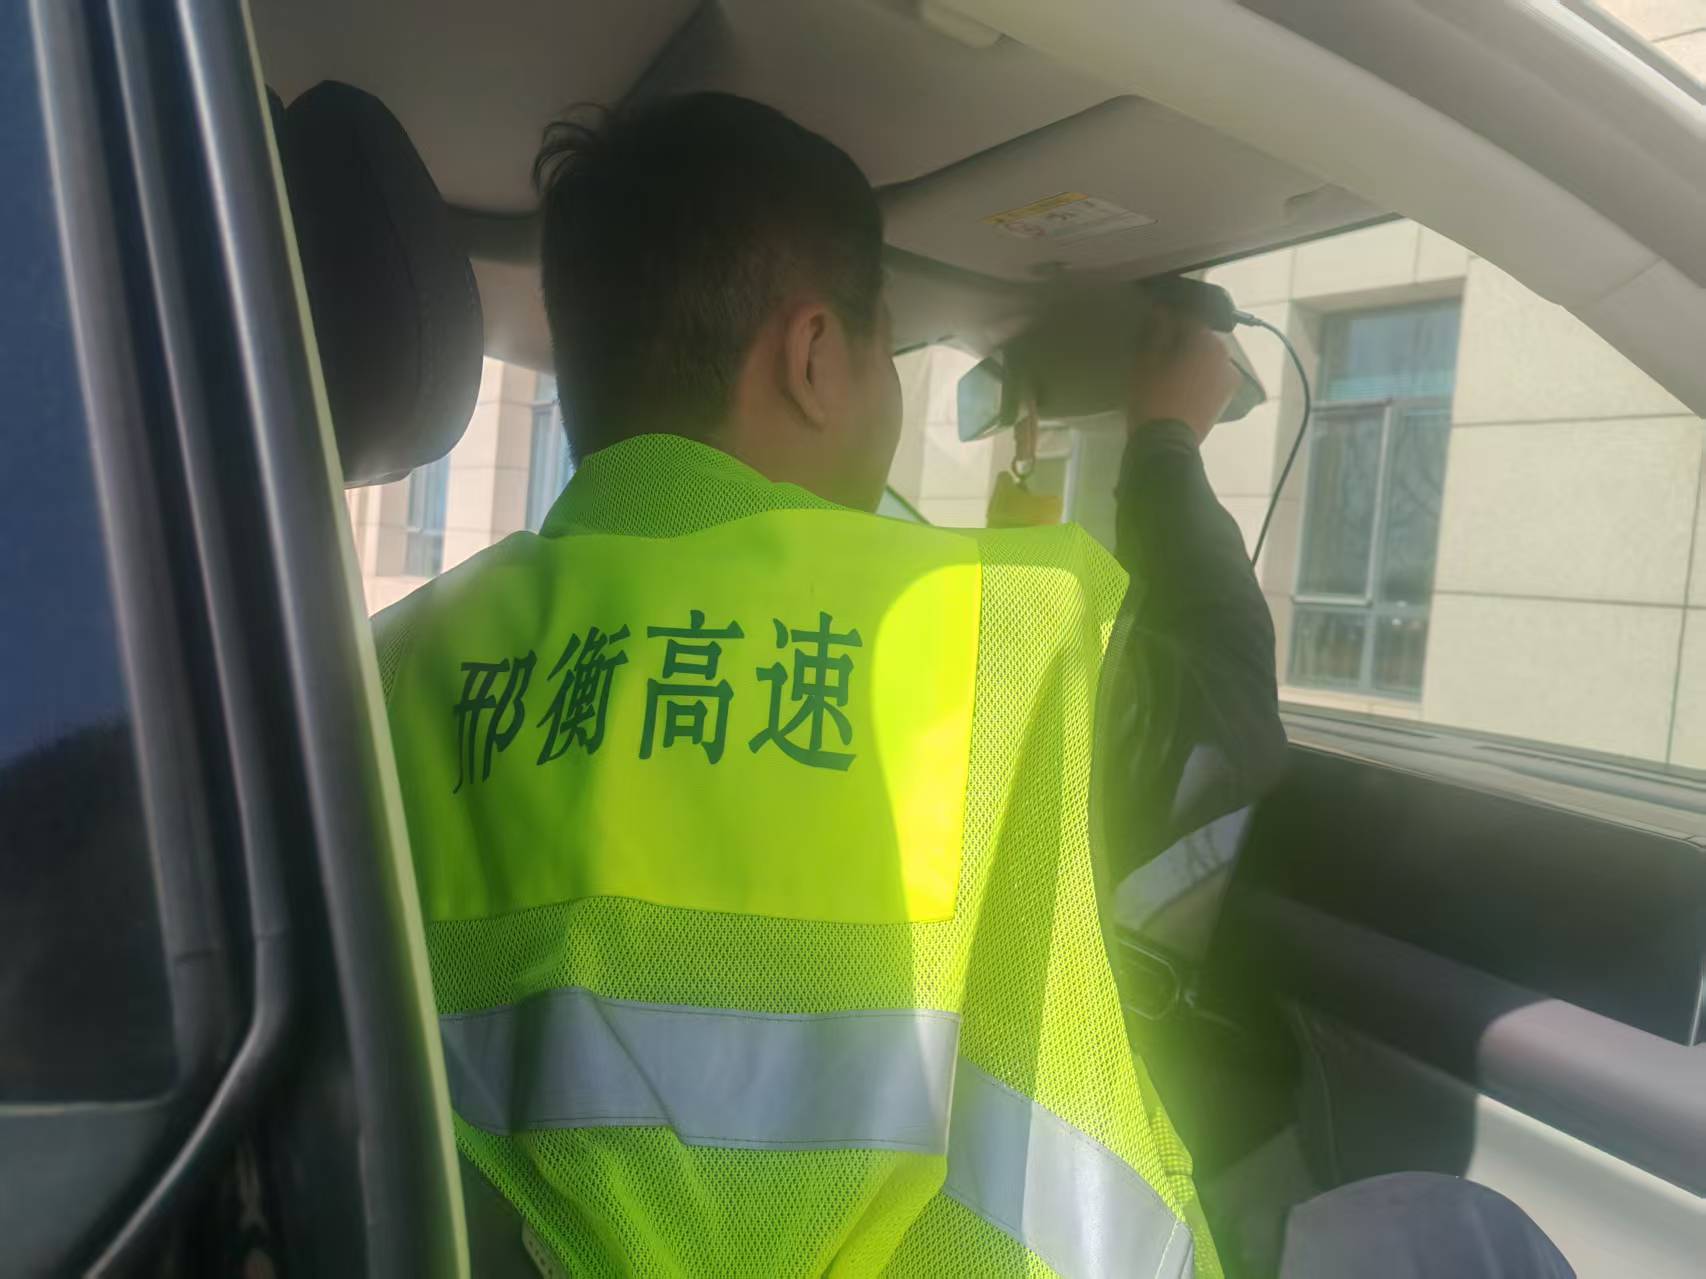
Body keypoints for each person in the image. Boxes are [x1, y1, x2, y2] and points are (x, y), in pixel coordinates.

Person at [374, 92, 1569, 1279]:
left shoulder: (389, 669)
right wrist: (1163, 443)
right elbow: (1221, 719)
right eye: (884, 354)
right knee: (1471, 1241)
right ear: (813, 357)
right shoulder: (993, 636)